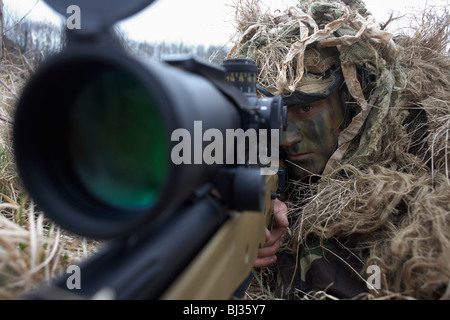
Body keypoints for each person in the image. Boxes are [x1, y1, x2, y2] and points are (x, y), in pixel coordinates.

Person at [229, 0, 450, 299]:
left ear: (354, 96)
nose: (287, 138)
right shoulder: (257, 150)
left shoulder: (423, 152)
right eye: (274, 115)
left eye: (305, 108)